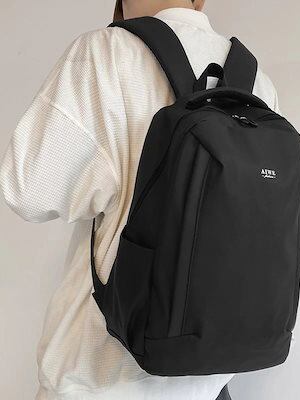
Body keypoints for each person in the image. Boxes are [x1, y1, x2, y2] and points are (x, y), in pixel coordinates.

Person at [0, 1, 280, 399]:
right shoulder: (257, 83)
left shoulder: (106, 53)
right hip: (208, 380)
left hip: (103, 380)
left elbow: (28, 190)